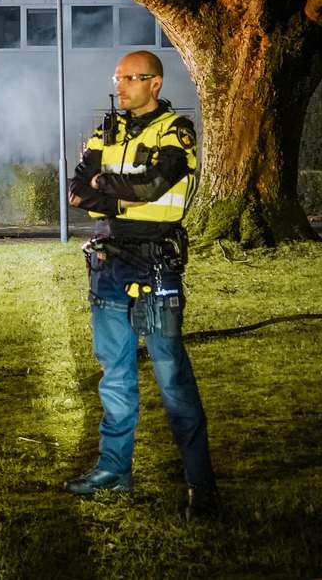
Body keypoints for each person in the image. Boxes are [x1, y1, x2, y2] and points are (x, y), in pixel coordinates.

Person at [66, 50, 218, 519]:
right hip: (108, 263)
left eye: (133, 78)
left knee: (172, 379)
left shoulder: (176, 131)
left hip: (156, 266)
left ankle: (201, 486)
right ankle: (114, 469)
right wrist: (116, 190)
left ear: (155, 83)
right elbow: (76, 193)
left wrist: (105, 188)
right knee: (115, 375)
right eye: (119, 77)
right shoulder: (103, 132)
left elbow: (158, 187)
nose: (123, 85)